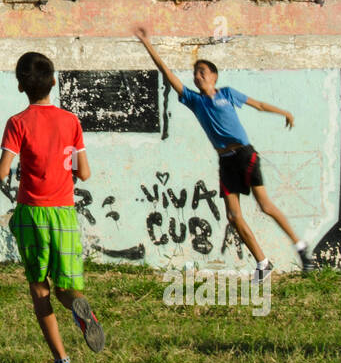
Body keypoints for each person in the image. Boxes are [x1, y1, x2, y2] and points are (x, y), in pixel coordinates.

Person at [136, 26, 317, 279]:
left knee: (264, 205)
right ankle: (263, 263)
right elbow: (167, 73)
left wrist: (283, 112)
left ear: (213, 76)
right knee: (233, 217)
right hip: (225, 161)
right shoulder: (193, 100)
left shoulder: (228, 94)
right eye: (194, 73)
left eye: (202, 72)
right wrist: (147, 43)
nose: (197, 76)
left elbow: (259, 105)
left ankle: (300, 246)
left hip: (244, 154)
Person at [0, 51, 105, 363]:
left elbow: (3, 171)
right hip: (65, 214)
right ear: (54, 81)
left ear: (19, 87)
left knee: (40, 288)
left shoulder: (18, 123)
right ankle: (82, 311)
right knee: (65, 286)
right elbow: (83, 173)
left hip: (32, 215)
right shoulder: (71, 121)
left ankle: (62, 361)